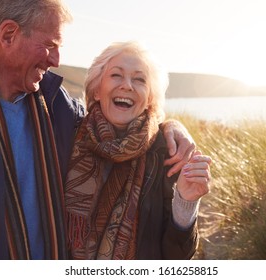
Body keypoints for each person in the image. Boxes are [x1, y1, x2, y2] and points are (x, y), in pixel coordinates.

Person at [0, 0, 195, 260]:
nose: (56, 60)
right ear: (9, 34)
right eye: (50, 45)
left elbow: (114, 126)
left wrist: (171, 127)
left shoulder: (57, 106)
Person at [65, 41, 212, 260]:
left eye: (139, 79)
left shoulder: (168, 151)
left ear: (149, 99)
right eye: (116, 75)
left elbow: (177, 257)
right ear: (96, 90)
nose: (127, 85)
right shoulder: (69, 137)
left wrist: (186, 203)